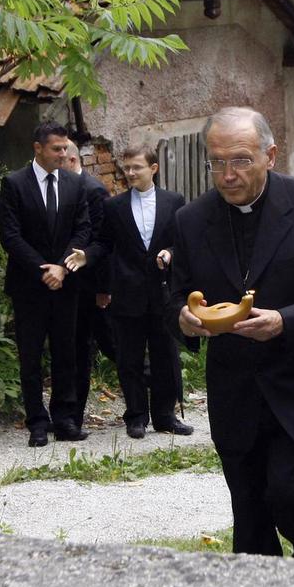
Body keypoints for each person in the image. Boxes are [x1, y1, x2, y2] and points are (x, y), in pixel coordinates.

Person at [169, 107, 294, 560]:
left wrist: (285, 321)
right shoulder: (191, 219)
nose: (227, 175)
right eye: (217, 162)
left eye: (240, 160)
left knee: (290, 494)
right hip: (235, 387)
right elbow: (174, 295)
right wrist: (182, 317)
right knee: (249, 508)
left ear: (270, 156)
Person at [73, 143, 189, 439]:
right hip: (127, 292)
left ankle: (165, 416)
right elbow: (104, 243)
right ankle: (136, 416)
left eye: (137, 167)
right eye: (126, 168)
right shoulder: (114, 206)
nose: (130, 172)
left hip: (162, 292)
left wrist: (170, 253)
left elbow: (183, 242)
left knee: (165, 356)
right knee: (129, 358)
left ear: (153, 168)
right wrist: (87, 256)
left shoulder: (174, 201)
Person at [0, 122, 91, 447]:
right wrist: (44, 270)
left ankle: (64, 419)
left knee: (66, 353)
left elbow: (83, 229)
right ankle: (37, 422)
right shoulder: (14, 183)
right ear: (38, 148)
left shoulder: (74, 184)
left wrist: (62, 268)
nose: (63, 154)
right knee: (31, 356)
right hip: (29, 286)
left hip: (66, 285)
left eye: (65, 148)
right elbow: (10, 236)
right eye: (56, 149)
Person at [62, 140, 117, 427]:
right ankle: (72, 415)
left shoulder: (94, 191)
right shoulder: (64, 187)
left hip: (92, 286)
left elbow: (104, 243)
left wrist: (103, 289)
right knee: (78, 348)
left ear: (72, 161)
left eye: (60, 159)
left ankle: (156, 391)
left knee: (112, 345)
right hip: (72, 285)